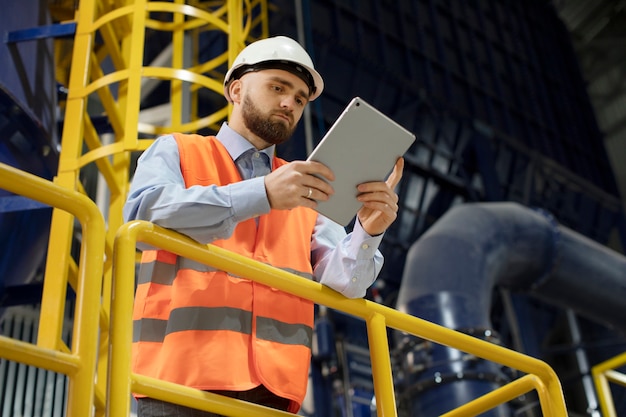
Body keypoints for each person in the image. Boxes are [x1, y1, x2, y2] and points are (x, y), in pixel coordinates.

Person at [123, 35, 404, 417]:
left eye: (301, 98)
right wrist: (262, 195)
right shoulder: (178, 151)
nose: (290, 103)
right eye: (278, 88)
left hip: (273, 391)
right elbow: (143, 212)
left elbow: (346, 283)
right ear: (236, 89)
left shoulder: (303, 186)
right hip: (181, 380)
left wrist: (369, 232)